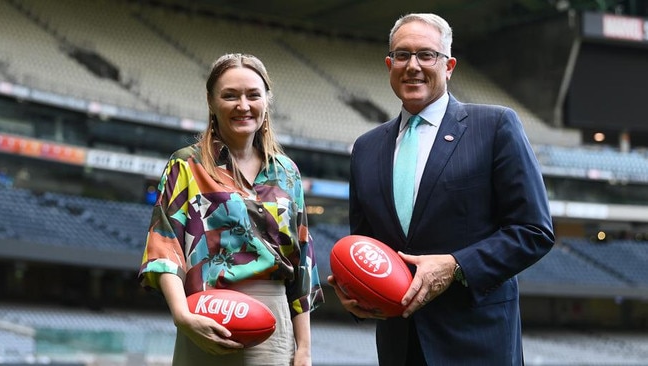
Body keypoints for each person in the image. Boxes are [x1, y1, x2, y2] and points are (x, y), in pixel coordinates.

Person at [328, 13, 554, 365]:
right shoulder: (366, 148)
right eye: (402, 55)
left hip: (478, 343)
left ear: (448, 66)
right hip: (399, 345)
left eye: (426, 55)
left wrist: (455, 265)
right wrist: (355, 293)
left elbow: (534, 231)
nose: (412, 65)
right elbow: (367, 245)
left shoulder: (494, 126)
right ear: (389, 65)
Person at [139, 53, 324, 366]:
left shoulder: (287, 173)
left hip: (273, 321)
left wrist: (304, 347)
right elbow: (164, 249)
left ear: (267, 100)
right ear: (211, 102)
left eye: (253, 94)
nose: (243, 105)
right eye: (230, 95)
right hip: (206, 317)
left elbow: (302, 261)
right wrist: (183, 316)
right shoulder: (186, 165)